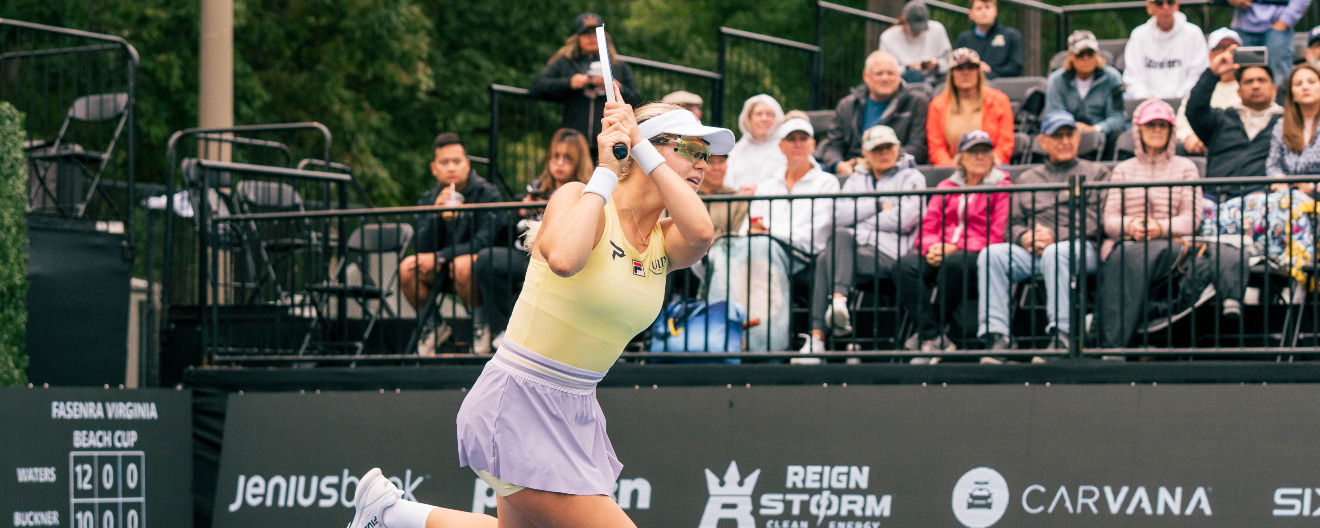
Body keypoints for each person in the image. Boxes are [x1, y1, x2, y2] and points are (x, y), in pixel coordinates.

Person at [347, 99, 733, 528]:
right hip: (516, 403)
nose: (705, 163)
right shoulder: (577, 196)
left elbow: (702, 231)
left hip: (576, 409)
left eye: (708, 154)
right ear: (649, 146)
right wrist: (611, 166)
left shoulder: (668, 237)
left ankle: (393, 515)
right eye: (692, 150)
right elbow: (565, 259)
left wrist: (643, 148)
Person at [1097, 100, 1246, 348]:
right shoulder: (1122, 170)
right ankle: (1116, 342)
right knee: (1134, 255)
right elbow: (1109, 220)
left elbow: (1191, 219)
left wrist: (1160, 228)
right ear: (1138, 130)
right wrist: (1132, 225)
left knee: (1221, 253)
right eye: (1150, 125)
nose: (1156, 130)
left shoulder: (1186, 168)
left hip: (1173, 244)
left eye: (1162, 126)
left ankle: (1226, 299)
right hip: (1131, 243)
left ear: (1171, 131)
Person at [707, 114, 841, 354]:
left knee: (760, 248)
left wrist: (770, 235)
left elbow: (817, 233)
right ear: (781, 146)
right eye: (791, 139)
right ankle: (717, 336)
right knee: (722, 249)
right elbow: (748, 226)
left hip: (804, 256)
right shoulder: (768, 185)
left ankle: (768, 345)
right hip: (762, 249)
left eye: (803, 138)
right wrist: (757, 233)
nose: (798, 144)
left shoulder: (827, 183)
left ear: (812, 144)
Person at [977, 111, 1109, 355]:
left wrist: (1053, 237)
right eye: (1057, 136)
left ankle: (1063, 335)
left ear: (1078, 138)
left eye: (1069, 135)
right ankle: (998, 336)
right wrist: (1025, 237)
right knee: (992, 254)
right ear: (1043, 142)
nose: (1065, 141)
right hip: (1035, 251)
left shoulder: (1096, 173)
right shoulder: (1028, 178)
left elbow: (1095, 221)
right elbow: (1012, 224)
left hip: (1081, 249)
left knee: (1056, 253)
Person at [801, 125, 924, 354]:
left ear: (897, 148)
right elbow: (838, 215)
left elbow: (905, 219)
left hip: (890, 254)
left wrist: (858, 220)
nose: (884, 153)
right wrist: (877, 204)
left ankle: (818, 337)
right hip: (852, 250)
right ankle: (836, 306)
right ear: (865, 153)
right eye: (877, 149)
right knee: (836, 241)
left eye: (888, 147)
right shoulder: (857, 179)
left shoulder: (912, 177)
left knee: (827, 257)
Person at [472, 129, 593, 353]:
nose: (559, 163)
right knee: (487, 260)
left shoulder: (588, 192)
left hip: (562, 258)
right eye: (555, 156)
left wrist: (552, 209)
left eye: (567, 158)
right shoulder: (536, 188)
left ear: (578, 162)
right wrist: (520, 211)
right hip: (525, 253)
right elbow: (504, 233)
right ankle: (504, 330)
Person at [895, 130, 1011, 360]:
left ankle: (931, 336)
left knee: (954, 263)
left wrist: (956, 246)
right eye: (973, 152)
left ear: (992, 157)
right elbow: (928, 225)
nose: (979, 157)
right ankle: (932, 335)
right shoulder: (946, 186)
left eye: (984, 152)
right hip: (941, 249)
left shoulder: (1002, 186)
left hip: (977, 252)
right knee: (904, 266)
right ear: (961, 158)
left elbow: (997, 233)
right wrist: (932, 247)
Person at [400, 133, 504, 355]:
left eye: (456, 161)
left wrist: (441, 257)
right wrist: (434, 214)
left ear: (467, 164)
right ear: (433, 167)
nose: (451, 167)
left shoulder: (488, 194)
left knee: (462, 265)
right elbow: (420, 246)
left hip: (475, 270)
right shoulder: (429, 198)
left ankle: (481, 325)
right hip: (440, 269)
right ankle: (433, 326)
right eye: (444, 162)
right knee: (408, 268)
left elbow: (484, 241)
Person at [531, 12, 642, 145]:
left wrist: (616, 88)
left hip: (609, 138)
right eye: (586, 34)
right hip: (574, 141)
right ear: (577, 38)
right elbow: (537, 86)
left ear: (604, 37)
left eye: (596, 33)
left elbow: (637, 100)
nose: (592, 38)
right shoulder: (566, 62)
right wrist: (569, 83)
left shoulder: (618, 65)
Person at [1188, 42, 1280, 196]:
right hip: (1218, 199)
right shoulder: (1221, 119)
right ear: (1238, 91)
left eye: (1262, 80)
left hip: (1264, 201)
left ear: (1274, 88)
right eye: (1248, 81)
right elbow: (1194, 110)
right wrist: (1213, 73)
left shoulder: (1286, 123)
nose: (1255, 86)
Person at [823, 50, 931, 172]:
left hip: (898, 170)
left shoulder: (916, 102)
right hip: (851, 170)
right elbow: (833, 145)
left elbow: (918, 149)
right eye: (879, 73)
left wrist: (873, 161)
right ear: (866, 76)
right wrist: (838, 165)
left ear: (899, 75)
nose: (885, 78)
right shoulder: (848, 105)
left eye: (890, 73)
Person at [926, 48, 1015, 166]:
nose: (965, 72)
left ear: (979, 72)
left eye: (971, 67)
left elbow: (1005, 144)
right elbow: (936, 148)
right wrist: (953, 170)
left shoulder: (999, 100)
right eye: (959, 68)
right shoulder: (937, 105)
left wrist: (987, 167)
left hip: (993, 170)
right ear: (951, 74)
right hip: (952, 172)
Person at [1044, 30, 1125, 144]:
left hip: (1104, 139)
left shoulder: (1112, 77)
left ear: (1097, 54)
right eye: (1080, 54)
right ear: (1070, 56)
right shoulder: (1056, 80)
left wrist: (1095, 129)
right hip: (1065, 136)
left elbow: (1117, 117)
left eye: (1090, 53)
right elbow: (1054, 114)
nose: (1086, 58)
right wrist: (1072, 128)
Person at [1175, 28, 1245, 156]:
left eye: (1232, 48)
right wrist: (1189, 137)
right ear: (1210, 55)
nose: (1227, 53)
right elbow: (1183, 119)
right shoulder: (1201, 87)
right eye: (1221, 48)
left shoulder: (1251, 84)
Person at [1122, 0, 1209, 100]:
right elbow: (1133, 76)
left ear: (1177, 5)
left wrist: (1179, 99)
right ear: (1150, 7)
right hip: (1147, 106)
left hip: (1186, 102)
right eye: (1159, 3)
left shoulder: (1194, 33)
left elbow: (1198, 74)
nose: (1166, 7)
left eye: (1170, 2)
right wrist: (1149, 102)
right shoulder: (1138, 35)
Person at [1226, 0, 1311, 87]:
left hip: (1279, 23)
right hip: (1243, 24)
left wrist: (1286, 19)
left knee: (1280, 78)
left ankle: (1280, 100)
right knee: (1240, 76)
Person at [879, 0, 953, 85]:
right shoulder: (888, 37)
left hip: (935, 78)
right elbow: (885, 68)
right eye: (914, 28)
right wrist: (907, 68)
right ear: (904, 21)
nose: (918, 32)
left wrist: (937, 64)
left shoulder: (937, 29)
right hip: (904, 81)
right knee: (914, 75)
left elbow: (949, 62)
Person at [1267, 63, 1320, 177]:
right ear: (1292, 93)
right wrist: (1282, 183)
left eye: (1311, 82)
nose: (1305, 87)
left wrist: (1312, 186)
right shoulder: (1281, 125)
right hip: (1290, 192)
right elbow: (1273, 166)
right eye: (1298, 84)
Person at [725, 94, 786, 191]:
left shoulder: (784, 148)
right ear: (749, 118)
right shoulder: (737, 150)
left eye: (769, 114)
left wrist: (758, 189)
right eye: (759, 114)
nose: (764, 119)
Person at [952, 0, 1024, 79]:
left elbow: (1016, 67)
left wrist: (990, 71)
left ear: (995, 11)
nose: (984, 11)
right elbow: (955, 68)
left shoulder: (1011, 35)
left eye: (987, 7)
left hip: (1003, 86)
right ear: (970, 14)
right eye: (979, 8)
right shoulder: (963, 39)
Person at [698, 153, 749, 238]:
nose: (717, 168)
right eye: (710, 162)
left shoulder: (738, 199)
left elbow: (735, 237)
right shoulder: (687, 195)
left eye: (721, 162)